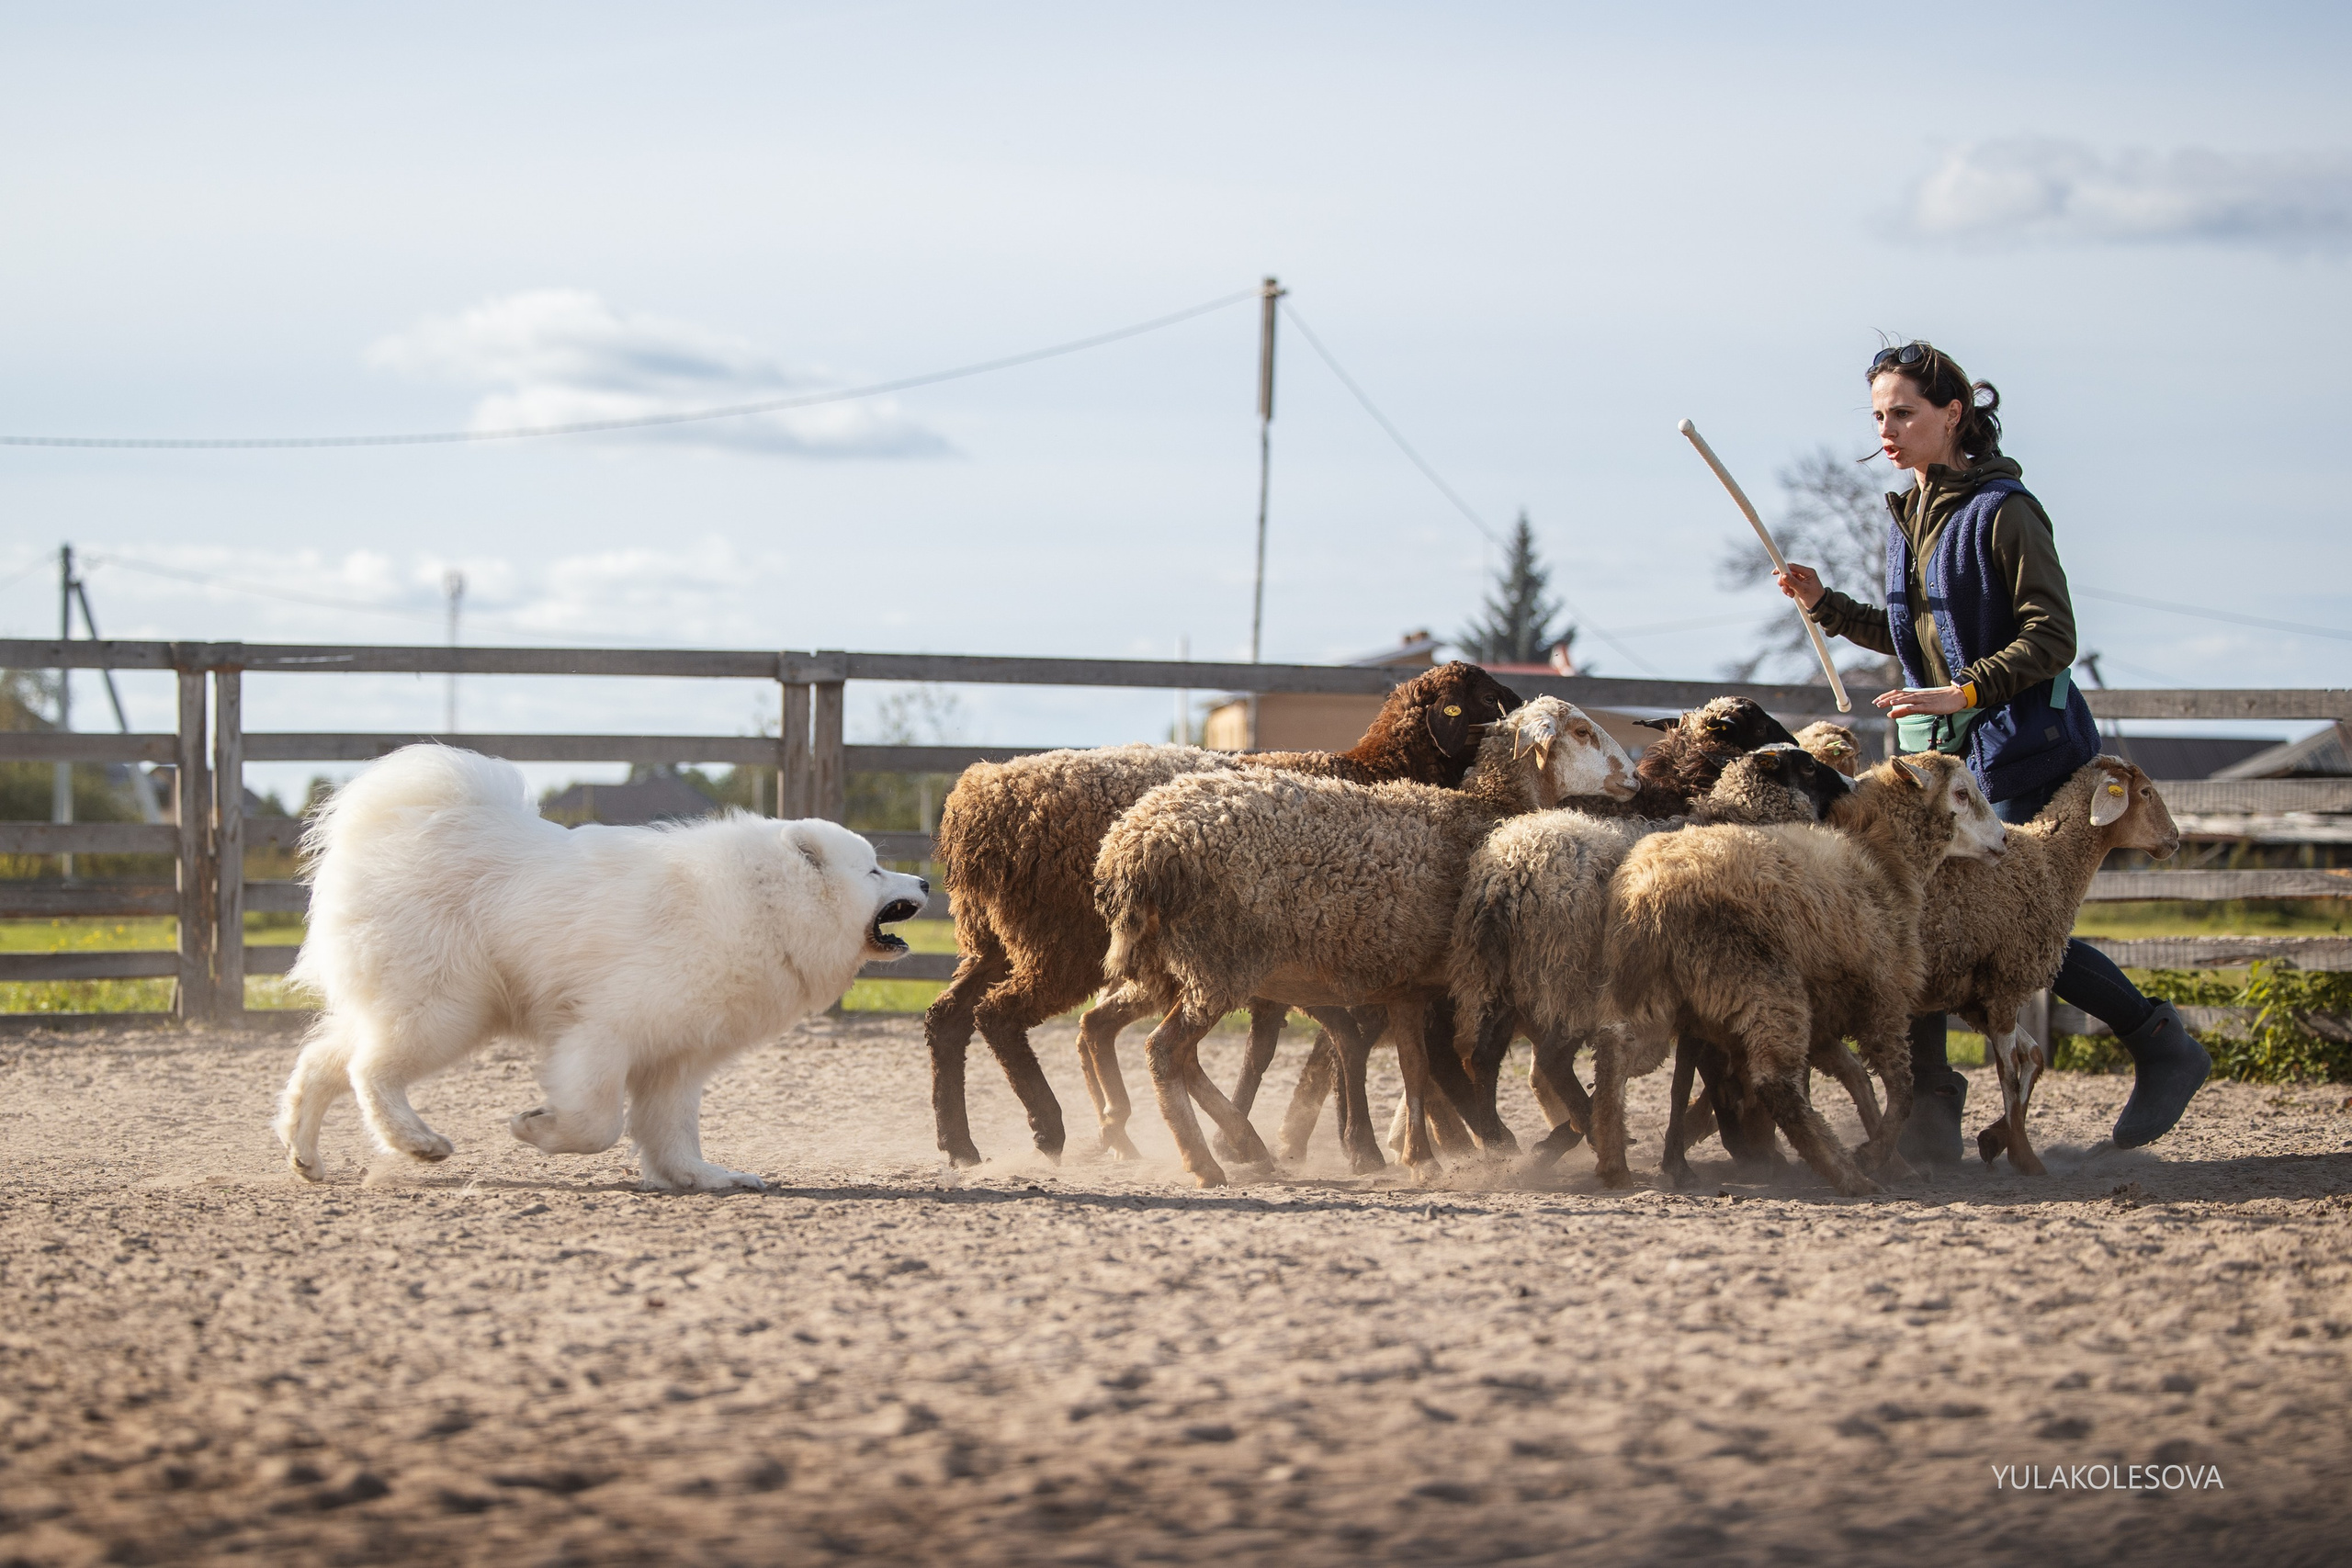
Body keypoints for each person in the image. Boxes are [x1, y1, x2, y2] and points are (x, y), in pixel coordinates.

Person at [1773, 340, 2210, 1163]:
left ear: (1953, 414)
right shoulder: (1912, 514)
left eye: (1903, 412)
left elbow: (2054, 635)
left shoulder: (2007, 512)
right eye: (1878, 416)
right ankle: (1933, 1099)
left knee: (2021, 922)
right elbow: (1917, 642)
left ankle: (2161, 1043)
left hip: (2022, 749)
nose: (1888, 430)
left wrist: (1965, 693)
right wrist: (1826, 604)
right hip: (1942, 756)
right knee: (1919, 906)